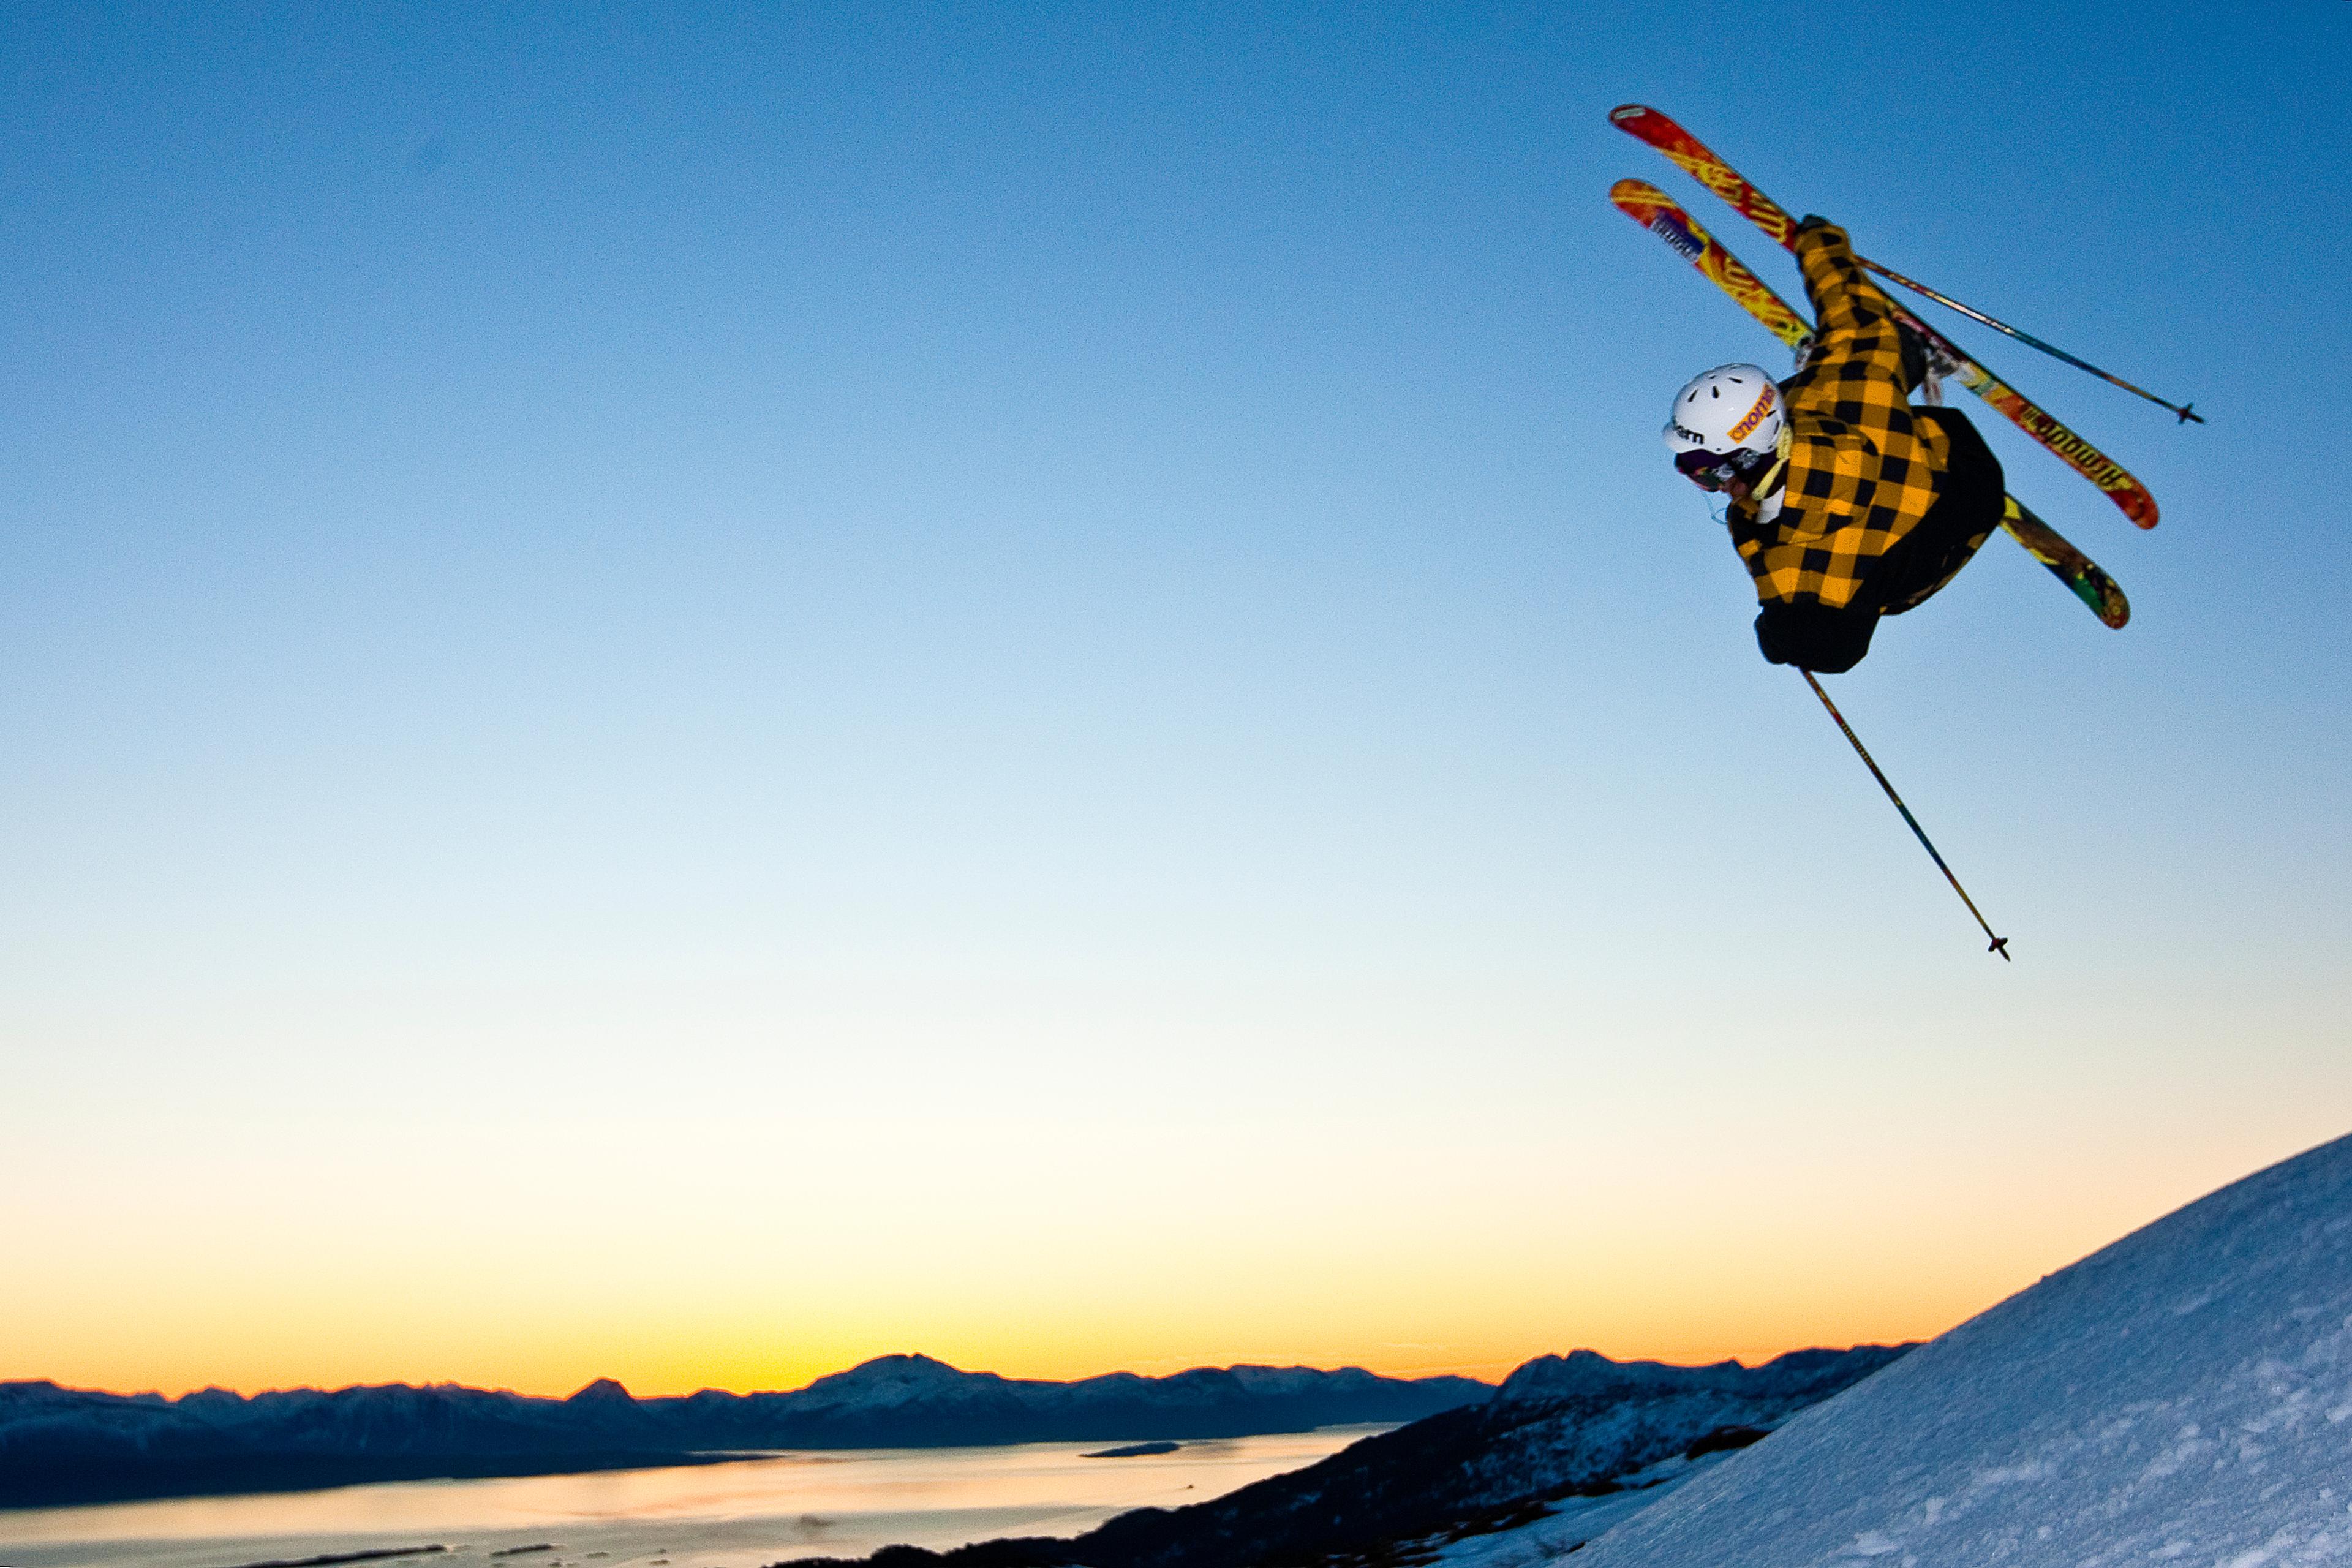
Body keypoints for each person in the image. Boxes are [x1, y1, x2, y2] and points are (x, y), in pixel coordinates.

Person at [1662, 217, 2007, 674]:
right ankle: (1909, 351)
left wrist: (1782, 637)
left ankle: (1908, 357)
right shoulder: (1836, 383)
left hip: (1966, 495)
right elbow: (1845, 301)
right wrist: (1817, 241)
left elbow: (1836, 655)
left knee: (1874, 602)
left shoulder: (1820, 576)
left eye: (1707, 472)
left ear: (1748, 457)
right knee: (1864, 344)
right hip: (1940, 438)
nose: (1708, 486)